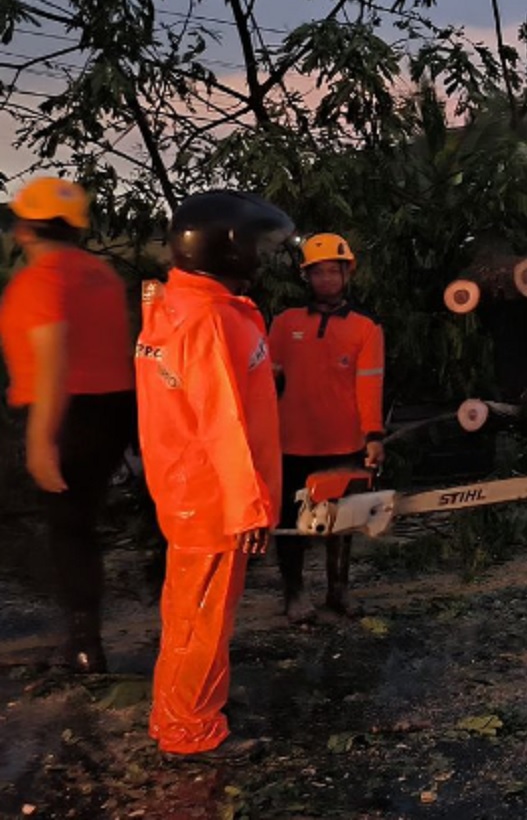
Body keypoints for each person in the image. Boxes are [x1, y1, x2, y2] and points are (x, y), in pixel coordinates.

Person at [135, 190, 292, 759]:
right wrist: (249, 507)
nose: (264, 257)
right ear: (228, 248)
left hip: (188, 485)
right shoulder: (205, 318)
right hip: (212, 492)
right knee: (203, 619)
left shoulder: (179, 304)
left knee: (187, 611)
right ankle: (189, 731)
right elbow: (221, 420)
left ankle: (177, 711)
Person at [0, 176, 136, 673]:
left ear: (24, 230)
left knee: (68, 530)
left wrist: (40, 438)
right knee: (82, 521)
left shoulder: (39, 281)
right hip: (113, 408)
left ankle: (84, 646)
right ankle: (85, 636)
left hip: (64, 412)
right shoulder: (100, 274)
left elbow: (53, 355)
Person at [268, 233, 385, 622]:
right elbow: (266, 383)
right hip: (292, 442)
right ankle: (294, 595)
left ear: (346, 274)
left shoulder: (365, 329)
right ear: (307, 276)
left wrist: (373, 436)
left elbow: (369, 386)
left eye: (333, 272)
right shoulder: (285, 324)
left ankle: (339, 592)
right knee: (290, 525)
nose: (327, 280)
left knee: (342, 522)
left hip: (343, 443)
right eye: (319, 273)